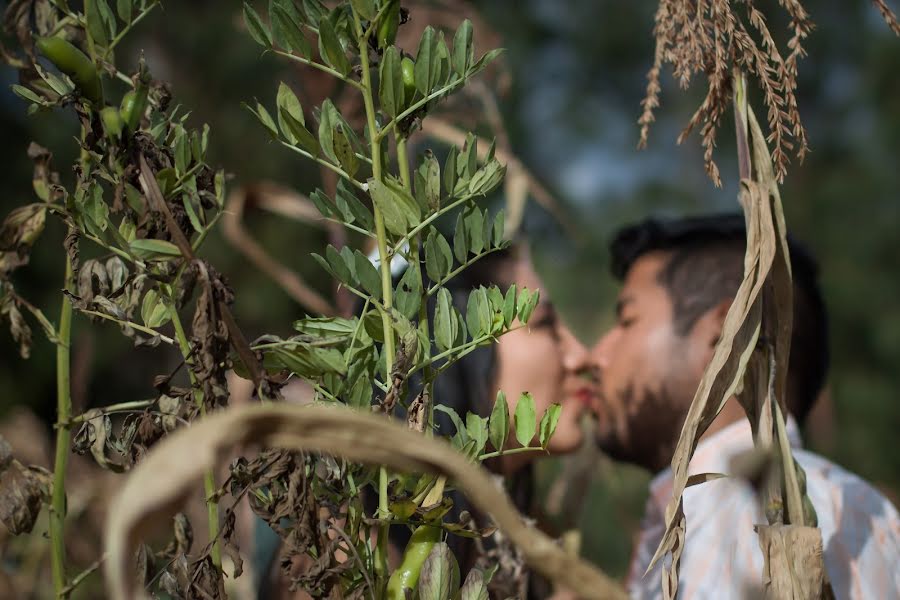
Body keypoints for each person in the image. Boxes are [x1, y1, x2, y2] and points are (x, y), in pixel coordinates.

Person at [258, 242, 596, 598]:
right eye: (546, 325)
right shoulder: (345, 557)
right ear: (457, 341)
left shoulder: (517, 535)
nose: (579, 355)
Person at [590, 214, 900, 599]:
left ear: (727, 333)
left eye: (627, 320)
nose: (597, 356)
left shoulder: (731, 518)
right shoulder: (870, 511)